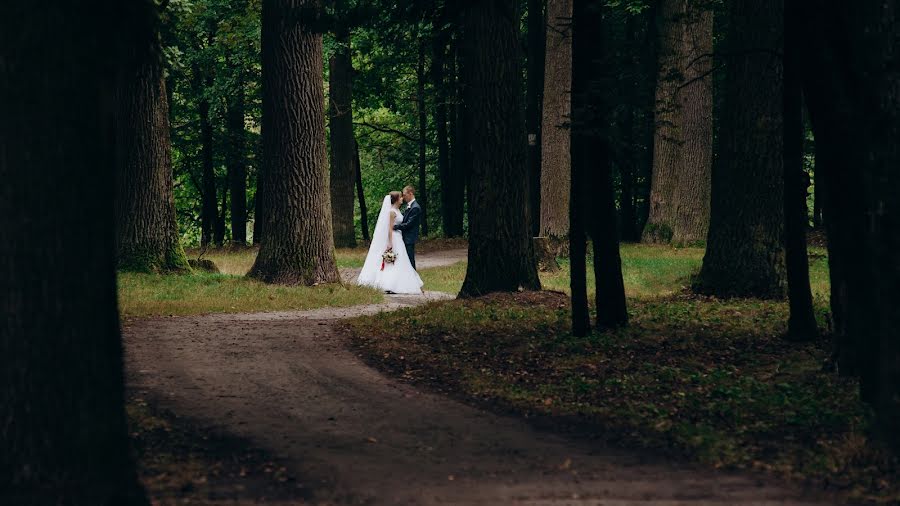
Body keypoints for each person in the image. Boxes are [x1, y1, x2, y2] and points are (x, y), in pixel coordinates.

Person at [356, 191, 424, 294]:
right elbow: (390, 228)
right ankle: (390, 283)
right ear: (396, 199)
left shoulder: (397, 210)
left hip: (399, 237)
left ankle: (400, 282)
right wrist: (390, 242)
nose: (402, 199)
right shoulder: (392, 211)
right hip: (394, 238)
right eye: (400, 197)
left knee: (400, 260)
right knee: (393, 261)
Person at [393, 185, 421, 269]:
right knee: (406, 259)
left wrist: (395, 227)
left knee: (410, 259)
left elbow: (409, 224)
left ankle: (413, 277)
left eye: (405, 194)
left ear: (410, 193)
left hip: (409, 237)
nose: (403, 197)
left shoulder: (415, 207)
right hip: (405, 237)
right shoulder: (409, 206)